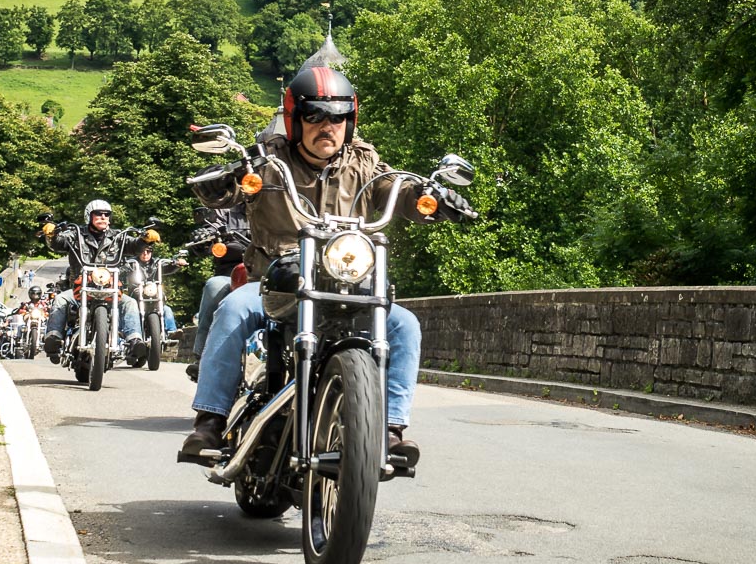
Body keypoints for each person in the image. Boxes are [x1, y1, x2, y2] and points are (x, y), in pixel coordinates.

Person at [181, 67, 475, 467]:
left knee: (405, 325)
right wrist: (220, 183)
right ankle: (210, 421)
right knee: (232, 307)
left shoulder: (364, 162)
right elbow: (230, 190)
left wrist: (430, 199)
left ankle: (389, 428)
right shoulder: (267, 161)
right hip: (276, 282)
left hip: (347, 283)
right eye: (314, 115)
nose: (327, 126)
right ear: (295, 119)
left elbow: (397, 189)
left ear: (349, 122)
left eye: (338, 117)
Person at [41, 199, 147, 364]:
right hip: (80, 289)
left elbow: (134, 246)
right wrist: (52, 235)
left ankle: (134, 341)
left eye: (106, 214)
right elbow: (59, 243)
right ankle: (53, 338)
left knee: (130, 303)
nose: (103, 217)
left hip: (110, 288)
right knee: (60, 299)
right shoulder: (76, 234)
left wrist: (145, 240)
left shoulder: (118, 237)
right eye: (98, 214)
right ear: (89, 216)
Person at [184, 204, 249, 381]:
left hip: (272, 273)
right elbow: (212, 228)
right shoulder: (226, 211)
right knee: (214, 286)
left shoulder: (280, 206)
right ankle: (202, 356)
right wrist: (204, 236)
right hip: (232, 275)